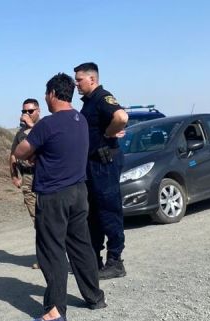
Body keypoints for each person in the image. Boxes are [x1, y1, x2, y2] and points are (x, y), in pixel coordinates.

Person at [13, 73, 106, 321]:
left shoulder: (47, 124)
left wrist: (34, 149)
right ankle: (94, 297)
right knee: (81, 246)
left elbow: (21, 151)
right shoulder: (81, 120)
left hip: (53, 195)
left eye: (46, 94)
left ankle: (54, 311)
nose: (45, 97)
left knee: (51, 250)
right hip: (78, 191)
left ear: (53, 94)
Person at [74, 62, 129, 279]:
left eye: (79, 80)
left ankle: (115, 261)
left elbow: (121, 117)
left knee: (109, 210)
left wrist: (108, 134)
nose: (76, 84)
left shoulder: (102, 97)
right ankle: (94, 260)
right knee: (93, 214)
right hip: (92, 165)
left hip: (104, 164)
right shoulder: (88, 103)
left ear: (92, 79)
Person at [9, 98, 41, 269]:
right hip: (28, 179)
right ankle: (44, 257)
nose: (26, 114)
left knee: (50, 219)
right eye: (24, 111)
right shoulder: (20, 133)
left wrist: (32, 128)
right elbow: (13, 155)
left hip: (44, 178)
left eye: (30, 111)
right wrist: (15, 175)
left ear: (38, 111)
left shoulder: (44, 127)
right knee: (37, 220)